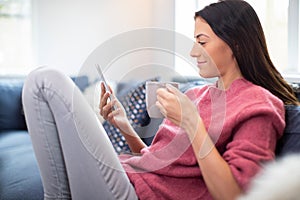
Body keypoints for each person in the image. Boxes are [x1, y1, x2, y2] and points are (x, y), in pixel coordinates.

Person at [22, 0, 299, 200]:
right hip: (130, 177)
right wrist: (125, 126)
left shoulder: (258, 104)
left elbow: (235, 194)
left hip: (131, 193)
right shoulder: (198, 94)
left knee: (46, 81)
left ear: (236, 43)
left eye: (201, 42)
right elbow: (159, 165)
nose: (192, 52)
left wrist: (191, 122)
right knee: (43, 84)